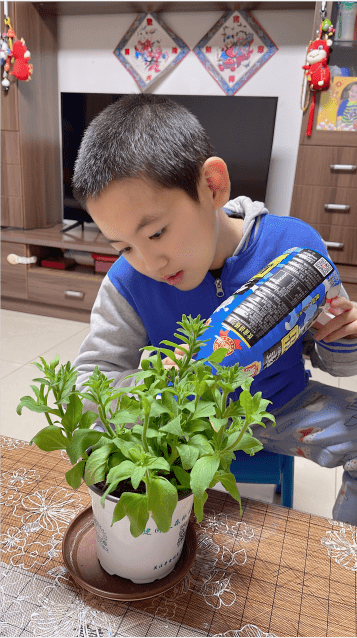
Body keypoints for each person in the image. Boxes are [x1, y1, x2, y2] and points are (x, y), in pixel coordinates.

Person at [72, 93, 357, 524]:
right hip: (181, 422)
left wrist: (347, 337)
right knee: (97, 444)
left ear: (212, 185)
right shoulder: (128, 282)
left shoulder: (297, 246)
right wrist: (152, 385)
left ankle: (340, 556)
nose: (150, 263)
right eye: (124, 246)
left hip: (282, 405)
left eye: (157, 233)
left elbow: (331, 361)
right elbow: (91, 379)